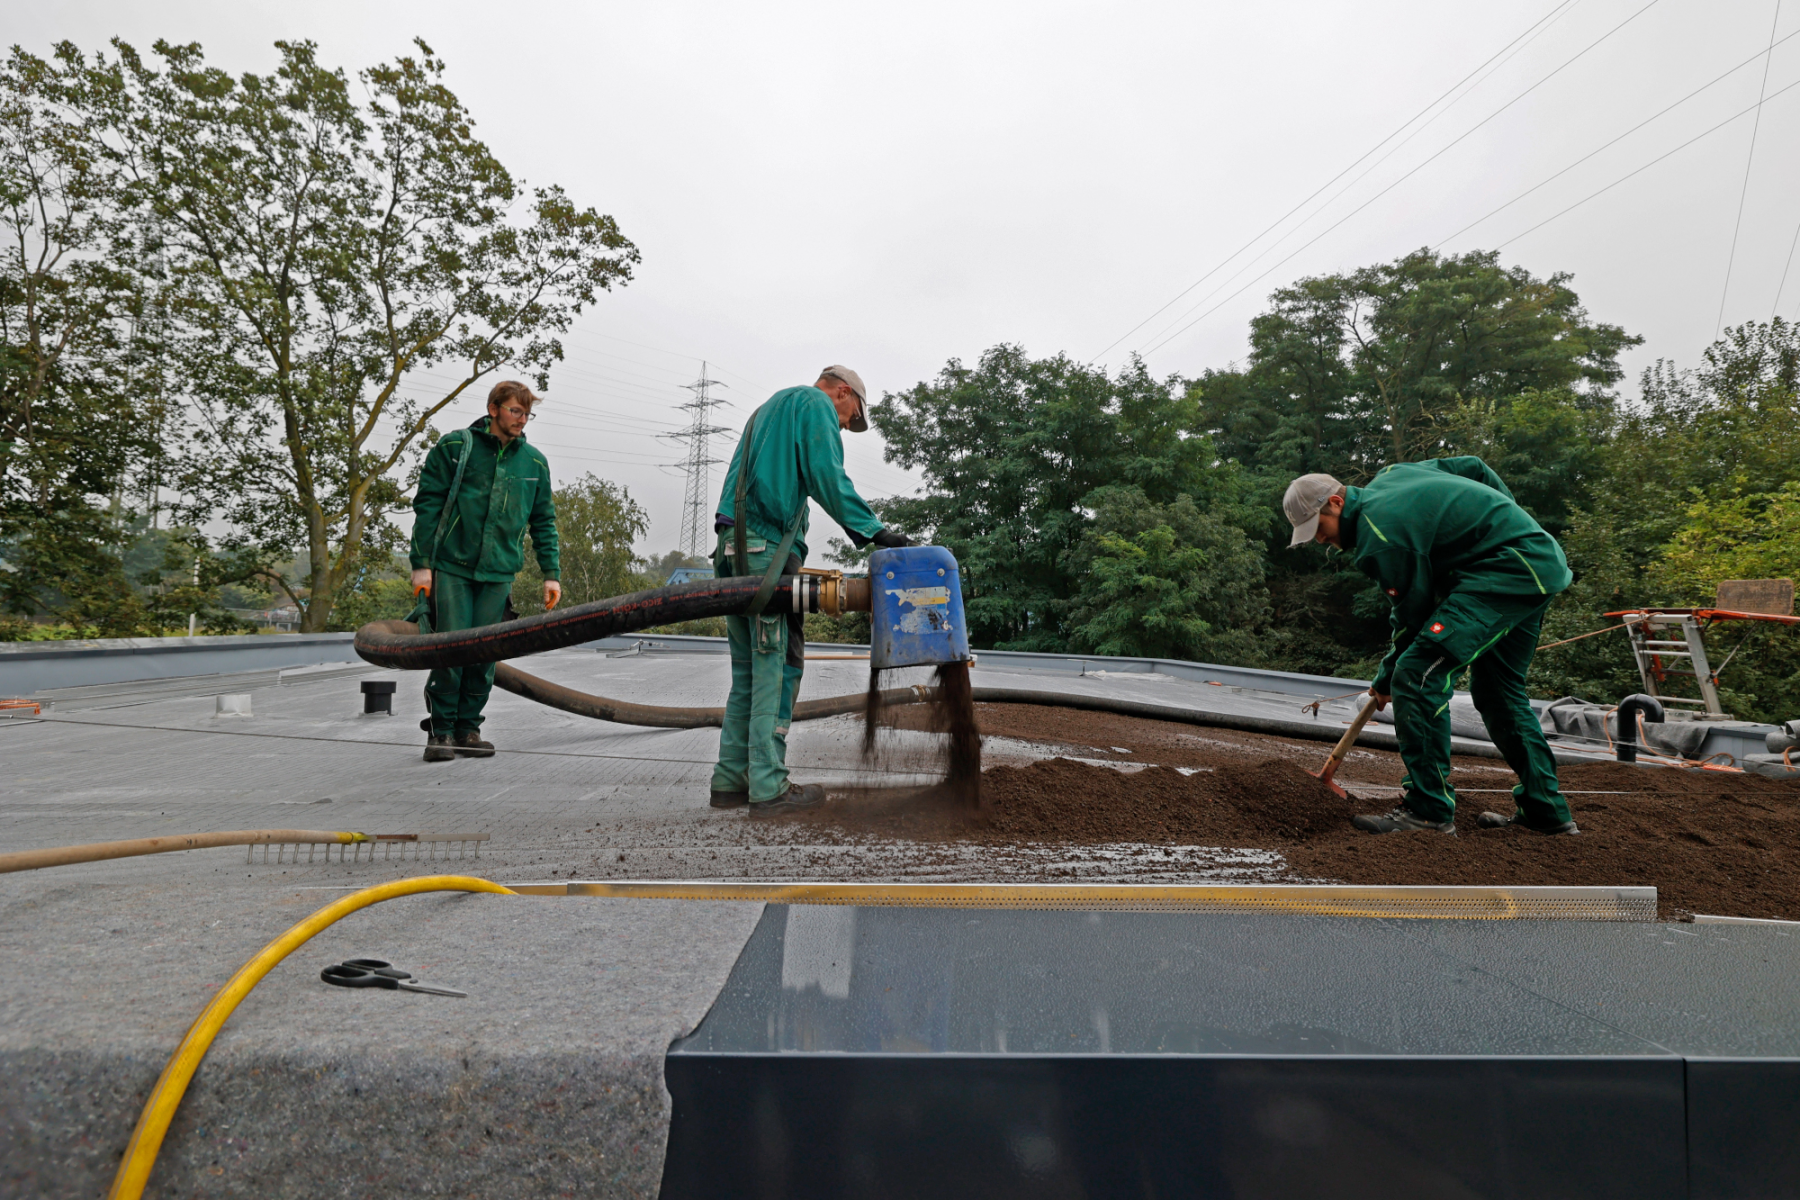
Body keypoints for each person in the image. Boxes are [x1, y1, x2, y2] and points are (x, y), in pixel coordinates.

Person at [1283, 457, 1577, 836]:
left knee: (1416, 674)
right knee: (1498, 693)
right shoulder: (1393, 475)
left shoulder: (1380, 537)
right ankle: (1545, 811)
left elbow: (1413, 617)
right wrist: (1510, 520)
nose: (1321, 540)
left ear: (1336, 504)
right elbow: (1475, 468)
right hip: (1535, 561)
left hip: (1503, 571)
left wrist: (1387, 677)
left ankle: (1428, 810)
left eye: (1319, 528)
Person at [710, 365, 910, 814]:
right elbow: (827, 474)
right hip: (763, 555)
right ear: (842, 393)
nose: (843, 426)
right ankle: (768, 786)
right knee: (775, 667)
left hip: (732, 550)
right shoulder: (815, 404)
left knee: (746, 673)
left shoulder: (769, 409)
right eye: (849, 418)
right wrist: (875, 532)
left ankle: (729, 781)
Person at [408, 381, 561, 763]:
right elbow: (428, 505)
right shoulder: (456, 448)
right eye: (515, 411)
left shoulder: (535, 463)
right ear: (493, 409)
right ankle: (440, 732)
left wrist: (551, 574)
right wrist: (421, 565)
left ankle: (468, 730)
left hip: (499, 572)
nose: (522, 420)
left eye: (527, 414)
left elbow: (544, 522)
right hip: (452, 566)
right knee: (451, 649)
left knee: (484, 655)